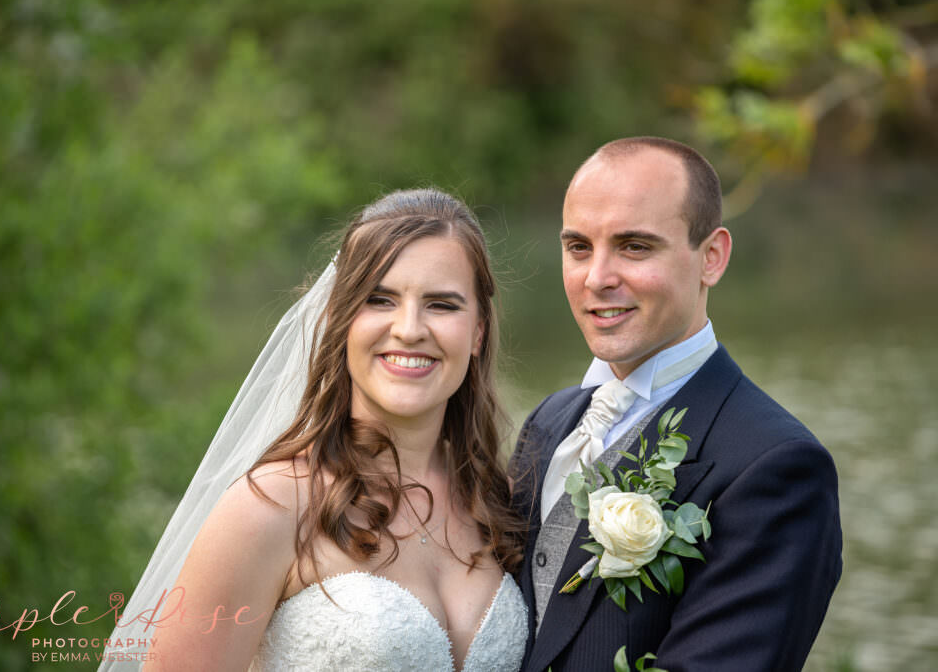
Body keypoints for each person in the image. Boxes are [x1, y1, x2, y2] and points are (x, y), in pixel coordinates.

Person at [101, 188, 528, 671]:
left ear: (478, 332)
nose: (409, 329)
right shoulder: (270, 508)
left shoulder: (497, 502)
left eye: (442, 305)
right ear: (338, 319)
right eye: (379, 299)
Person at [510, 137, 842, 671]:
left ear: (712, 257)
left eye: (634, 247)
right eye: (578, 247)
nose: (597, 278)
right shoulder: (549, 423)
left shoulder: (777, 467)